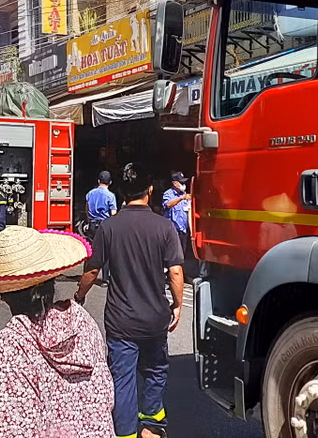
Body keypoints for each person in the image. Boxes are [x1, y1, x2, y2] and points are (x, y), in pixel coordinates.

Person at [0, 226, 113, 437]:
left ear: (3, 294)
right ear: (52, 279)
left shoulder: (7, 347)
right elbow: (106, 396)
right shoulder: (83, 322)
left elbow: (13, 428)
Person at [75, 163, 184, 438]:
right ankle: (151, 426)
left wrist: (78, 297)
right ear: (150, 190)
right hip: (155, 318)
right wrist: (178, 303)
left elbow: (91, 270)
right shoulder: (164, 227)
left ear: (122, 192)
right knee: (156, 371)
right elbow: (175, 271)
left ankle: (125, 434)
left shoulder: (109, 228)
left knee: (122, 380)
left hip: (121, 322)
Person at [162, 172, 197, 277]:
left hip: (183, 230)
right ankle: (169, 275)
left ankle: (181, 274)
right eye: (181, 182)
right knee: (172, 255)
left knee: (182, 254)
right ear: (174, 183)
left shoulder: (185, 195)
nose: (183, 185)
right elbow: (167, 205)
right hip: (172, 231)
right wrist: (181, 199)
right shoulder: (168, 194)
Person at [85, 171, 117, 284]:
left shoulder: (90, 194)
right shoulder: (111, 196)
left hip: (92, 224)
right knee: (106, 252)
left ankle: (85, 276)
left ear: (98, 181)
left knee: (89, 251)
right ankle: (104, 279)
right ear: (110, 182)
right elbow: (113, 214)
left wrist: (89, 221)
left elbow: (87, 209)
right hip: (105, 225)